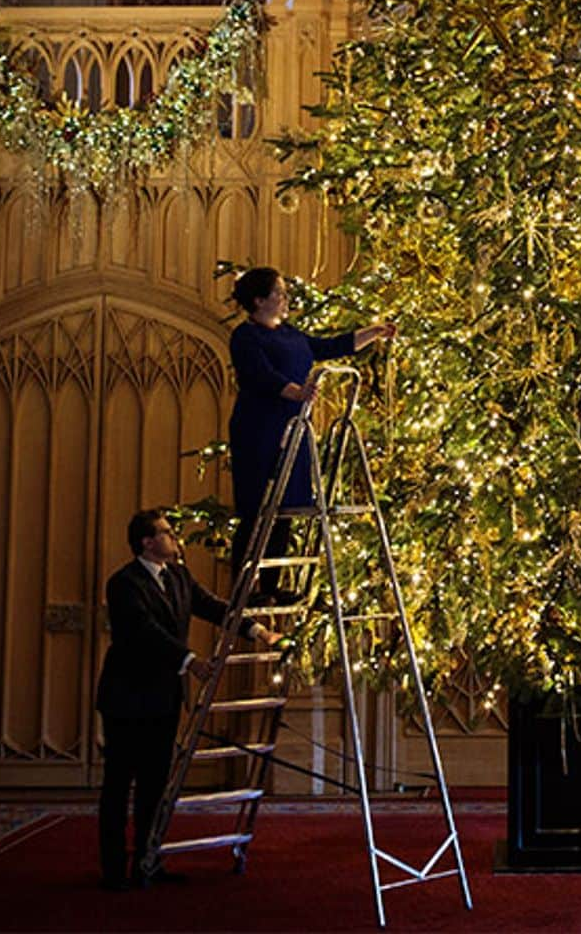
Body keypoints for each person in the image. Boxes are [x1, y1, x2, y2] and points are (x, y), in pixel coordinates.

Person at [96, 509, 281, 891]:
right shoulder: (124, 584)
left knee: (155, 784)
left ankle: (148, 861)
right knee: (118, 785)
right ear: (147, 542)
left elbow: (213, 607)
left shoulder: (179, 576)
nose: (173, 538)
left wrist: (257, 630)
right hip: (127, 698)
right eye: (165, 532)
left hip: (164, 697)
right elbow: (143, 632)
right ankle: (114, 870)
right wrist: (190, 660)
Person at [226, 267, 395, 604]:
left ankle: (271, 587)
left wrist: (373, 333)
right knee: (258, 508)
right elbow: (261, 374)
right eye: (279, 293)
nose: (285, 299)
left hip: (295, 425)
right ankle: (244, 588)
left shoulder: (290, 333)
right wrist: (296, 392)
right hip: (261, 426)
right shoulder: (246, 337)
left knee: (287, 506)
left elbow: (328, 347)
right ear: (259, 301)